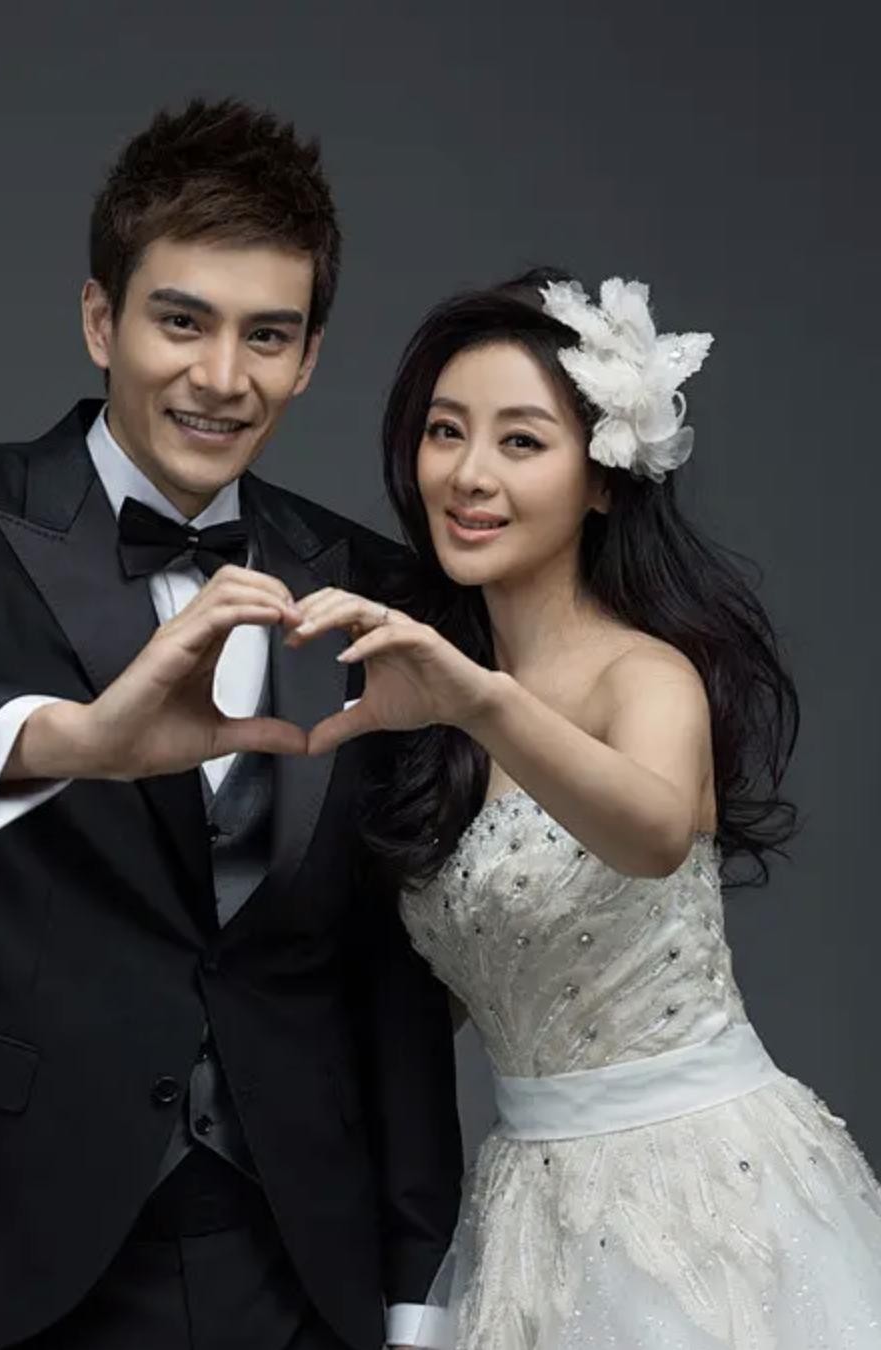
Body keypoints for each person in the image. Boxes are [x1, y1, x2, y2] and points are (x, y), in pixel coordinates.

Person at [0, 99, 462, 1350]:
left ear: (308, 357)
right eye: (179, 321)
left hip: (300, 1252)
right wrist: (73, 741)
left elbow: (389, 967)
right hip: (16, 1234)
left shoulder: (368, 583)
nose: (221, 377)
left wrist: (416, 1288)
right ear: (101, 320)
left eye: (267, 335)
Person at [285, 269, 881, 1347]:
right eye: (445, 432)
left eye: (521, 441)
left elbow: (651, 833)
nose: (469, 474)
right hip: (526, 1208)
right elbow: (413, 999)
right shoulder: (423, 710)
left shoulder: (641, 675)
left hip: (701, 1190)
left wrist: (482, 702)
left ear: (602, 480)